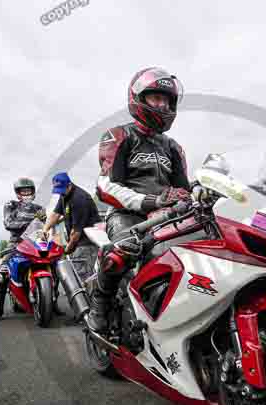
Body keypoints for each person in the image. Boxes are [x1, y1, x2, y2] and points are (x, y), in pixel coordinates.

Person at [85, 67, 191, 335]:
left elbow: (183, 189)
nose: (162, 105)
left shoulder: (173, 147)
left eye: (167, 100)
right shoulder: (119, 135)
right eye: (156, 98)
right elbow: (106, 186)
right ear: (138, 99)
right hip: (126, 215)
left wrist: (193, 195)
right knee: (123, 251)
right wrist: (151, 201)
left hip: (166, 217)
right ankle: (99, 306)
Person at [0, 177, 47, 321]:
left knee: (55, 265)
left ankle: (52, 302)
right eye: (23, 191)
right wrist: (31, 222)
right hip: (16, 243)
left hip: (36, 242)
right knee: (2, 273)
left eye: (28, 191)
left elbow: (46, 225)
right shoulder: (11, 205)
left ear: (33, 192)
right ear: (18, 193)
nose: (26, 194)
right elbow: (9, 223)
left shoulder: (39, 208)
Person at [43, 172, 102, 284]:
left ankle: (89, 294)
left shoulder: (79, 199)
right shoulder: (64, 195)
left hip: (87, 244)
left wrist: (67, 250)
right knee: (76, 275)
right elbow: (55, 214)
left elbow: (75, 233)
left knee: (83, 279)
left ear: (69, 185)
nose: (60, 193)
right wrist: (45, 229)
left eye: (62, 190)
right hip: (77, 243)